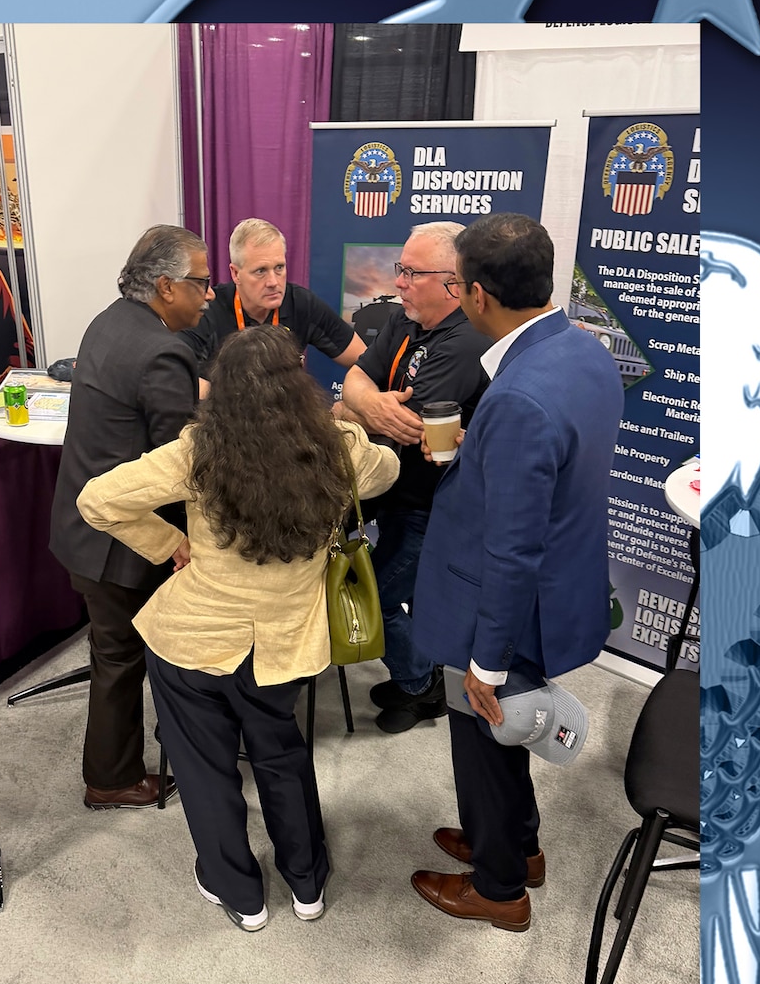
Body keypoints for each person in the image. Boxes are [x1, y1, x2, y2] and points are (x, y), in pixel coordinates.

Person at [78, 325, 399, 931]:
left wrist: (170, 544)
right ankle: (307, 882)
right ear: (299, 385)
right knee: (283, 757)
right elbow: (385, 470)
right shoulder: (334, 450)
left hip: (191, 640)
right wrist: (345, 422)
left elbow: (97, 499)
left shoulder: (197, 450)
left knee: (204, 769)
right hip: (283, 646)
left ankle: (239, 894)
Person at [409, 212, 624, 931]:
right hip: (561, 587)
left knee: (487, 737)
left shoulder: (517, 400)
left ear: (475, 296)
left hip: (505, 610)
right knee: (510, 737)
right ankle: (518, 846)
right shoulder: (585, 350)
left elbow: (512, 548)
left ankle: (499, 889)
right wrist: (484, 452)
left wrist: (487, 664)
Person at [49, 224, 212, 811]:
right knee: (120, 659)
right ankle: (112, 778)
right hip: (121, 541)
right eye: (202, 283)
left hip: (83, 525)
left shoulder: (111, 320)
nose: (210, 294)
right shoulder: (164, 349)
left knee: (111, 652)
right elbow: (180, 461)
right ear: (167, 287)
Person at [334, 221, 493, 733]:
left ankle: (420, 686)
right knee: (384, 589)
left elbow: (412, 426)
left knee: (375, 595)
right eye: (399, 269)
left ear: (452, 282)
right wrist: (370, 404)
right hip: (395, 493)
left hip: (435, 506)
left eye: (410, 272)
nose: (397, 281)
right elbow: (358, 378)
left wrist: (355, 409)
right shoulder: (409, 322)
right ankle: (416, 677)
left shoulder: (465, 341)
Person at [179, 218, 366, 396]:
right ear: (236, 274)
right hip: (222, 419)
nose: (273, 282)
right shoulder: (208, 310)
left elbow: (365, 361)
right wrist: (235, 398)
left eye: (279, 268)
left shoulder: (301, 304)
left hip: (284, 419)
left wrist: (360, 397)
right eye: (260, 271)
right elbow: (178, 378)